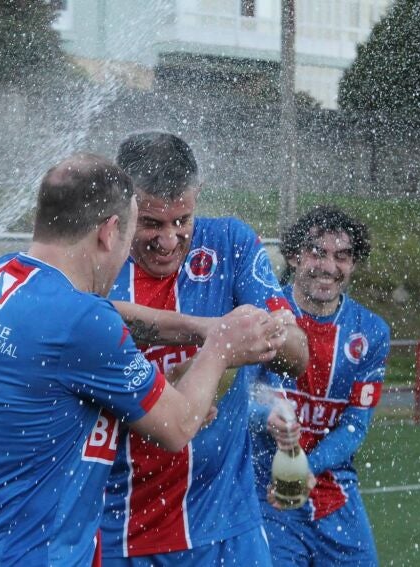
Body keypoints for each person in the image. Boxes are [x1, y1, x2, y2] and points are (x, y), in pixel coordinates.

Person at [0, 153, 283, 565]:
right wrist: (221, 346)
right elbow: (178, 426)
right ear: (109, 232)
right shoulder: (82, 324)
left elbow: (101, 319)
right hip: (28, 555)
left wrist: (199, 328)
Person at [98, 132, 308, 565]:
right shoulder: (97, 256)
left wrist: (258, 335)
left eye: (182, 221)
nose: (169, 240)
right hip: (119, 530)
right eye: (152, 224)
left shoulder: (229, 242)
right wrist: (212, 347)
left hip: (229, 528)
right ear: (121, 205)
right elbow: (84, 325)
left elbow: (298, 354)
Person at [251, 206, 390, 566]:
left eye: (342, 256)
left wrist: (307, 467)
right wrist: (265, 415)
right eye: (317, 252)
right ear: (295, 256)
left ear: (354, 264)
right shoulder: (261, 315)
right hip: (267, 496)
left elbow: (356, 425)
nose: (329, 266)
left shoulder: (371, 333)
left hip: (335, 497)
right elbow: (235, 401)